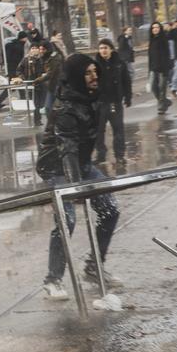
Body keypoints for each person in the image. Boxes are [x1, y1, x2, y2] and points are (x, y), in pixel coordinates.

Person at [36, 55, 121, 300]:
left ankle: (94, 267)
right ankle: (53, 280)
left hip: (81, 163)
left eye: (95, 71)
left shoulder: (91, 98)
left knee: (110, 209)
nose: (94, 77)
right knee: (67, 219)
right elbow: (67, 150)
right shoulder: (66, 108)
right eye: (88, 73)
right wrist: (76, 188)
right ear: (76, 77)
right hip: (56, 167)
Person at [94, 39, 132, 165]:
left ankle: (119, 155)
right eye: (101, 48)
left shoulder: (119, 63)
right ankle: (101, 154)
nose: (103, 50)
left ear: (111, 49)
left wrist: (128, 97)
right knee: (98, 131)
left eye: (105, 48)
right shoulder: (94, 65)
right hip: (100, 103)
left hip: (115, 102)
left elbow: (126, 81)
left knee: (118, 130)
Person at [148, 22, 173, 114]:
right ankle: (165, 101)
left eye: (157, 27)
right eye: (153, 27)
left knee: (162, 87)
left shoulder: (164, 39)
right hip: (154, 68)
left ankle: (162, 107)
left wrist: (168, 66)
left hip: (164, 67)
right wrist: (150, 68)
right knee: (153, 87)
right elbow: (150, 56)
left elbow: (167, 53)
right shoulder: (151, 40)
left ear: (160, 28)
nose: (155, 29)